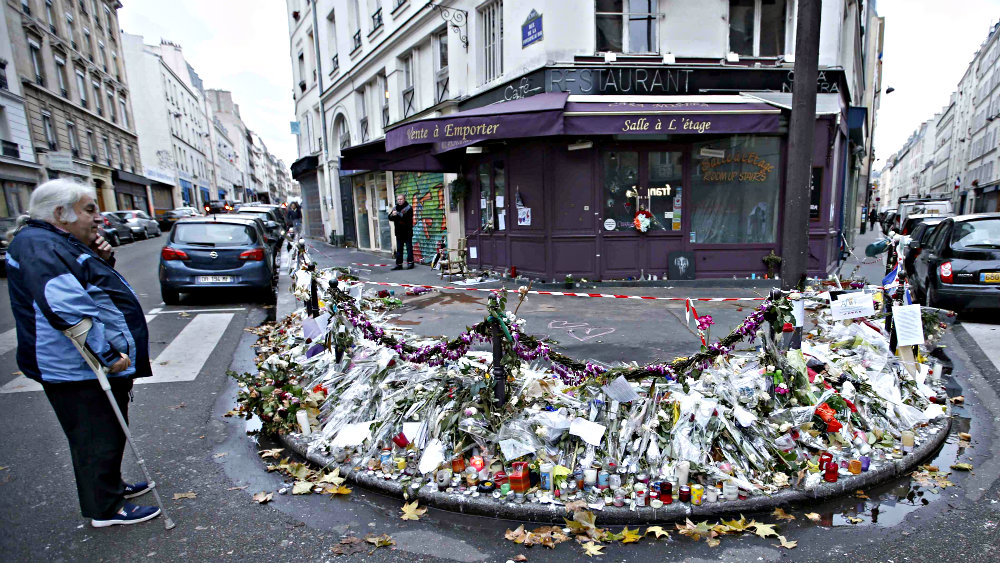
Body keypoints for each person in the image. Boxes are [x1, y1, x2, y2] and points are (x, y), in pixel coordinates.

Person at [5, 180, 160, 528]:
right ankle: (106, 509)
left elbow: (88, 284)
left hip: (79, 363)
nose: (99, 217)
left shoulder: (55, 242)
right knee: (95, 435)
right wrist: (105, 354)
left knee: (106, 430)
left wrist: (102, 257)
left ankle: (109, 487)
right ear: (60, 213)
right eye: (90, 209)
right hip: (74, 366)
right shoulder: (41, 246)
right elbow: (65, 306)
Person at [388, 194, 414, 270]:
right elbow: (390, 218)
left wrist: (398, 214)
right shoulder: (395, 208)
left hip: (407, 231)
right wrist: (392, 215)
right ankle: (399, 264)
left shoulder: (409, 208)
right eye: (398, 199)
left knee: (409, 248)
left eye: (401, 199)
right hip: (399, 232)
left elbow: (407, 218)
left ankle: (410, 263)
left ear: (404, 199)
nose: (399, 201)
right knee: (399, 249)